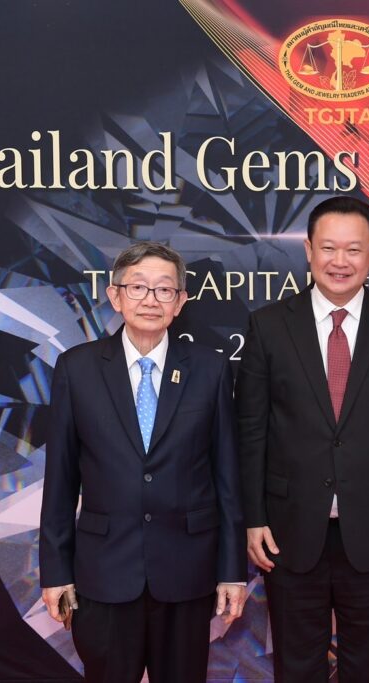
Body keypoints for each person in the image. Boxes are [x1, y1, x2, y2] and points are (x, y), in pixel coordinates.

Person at [236, 196, 369, 682]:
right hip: (288, 530)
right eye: (328, 248)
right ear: (308, 250)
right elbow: (252, 431)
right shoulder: (269, 325)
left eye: (353, 249)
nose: (339, 261)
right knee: (296, 665)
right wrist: (254, 517)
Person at [39, 242, 246, 683]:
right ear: (115, 296)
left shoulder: (210, 370)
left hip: (187, 572)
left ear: (180, 302)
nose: (151, 299)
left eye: (164, 289)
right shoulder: (77, 368)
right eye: (138, 287)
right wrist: (55, 571)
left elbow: (227, 477)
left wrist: (232, 572)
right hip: (104, 572)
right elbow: (60, 479)